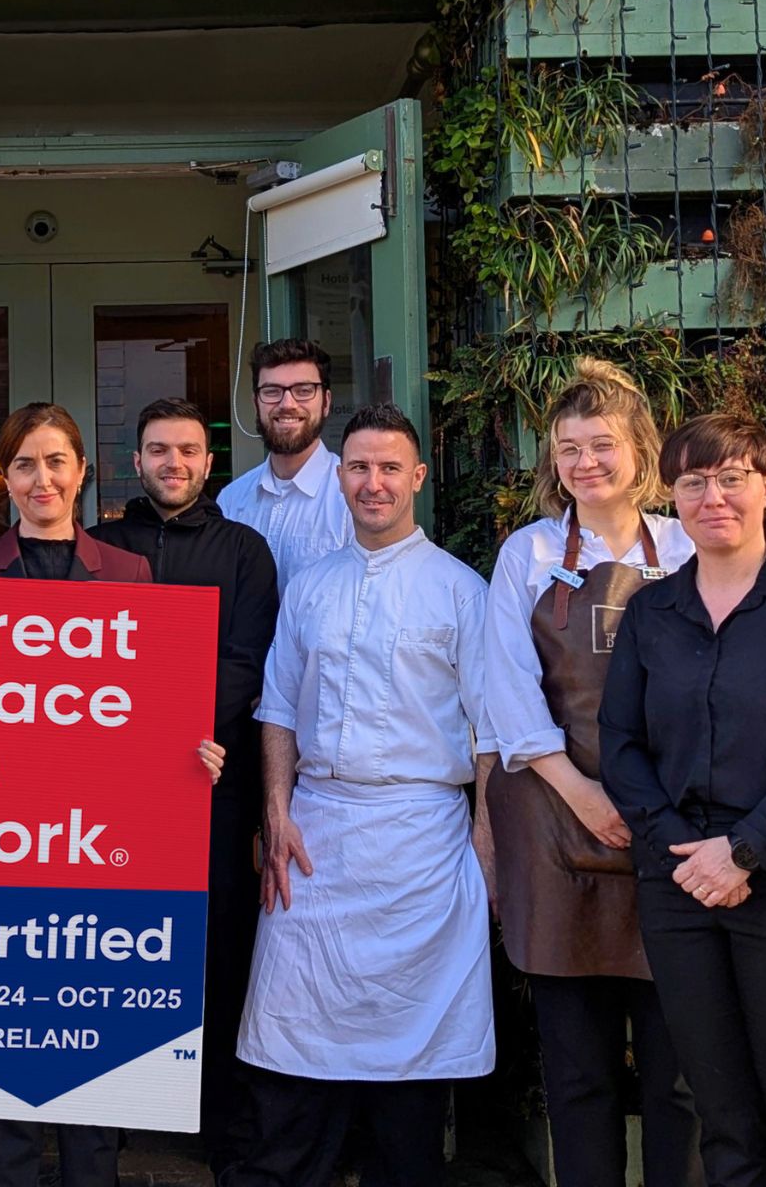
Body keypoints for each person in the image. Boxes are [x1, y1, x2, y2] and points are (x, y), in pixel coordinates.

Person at [0, 402, 222, 1187]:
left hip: (99, 847)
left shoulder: (130, 572)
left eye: (56, 462)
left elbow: (144, 703)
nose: (42, 479)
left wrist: (188, 754)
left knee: (95, 1048)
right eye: (25, 464)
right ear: (7, 476)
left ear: (81, 472)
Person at [598, 414, 766, 1187]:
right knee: (722, 1122)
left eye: (731, 478)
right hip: (680, 880)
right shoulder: (652, 612)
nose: (712, 496)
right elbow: (619, 741)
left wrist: (746, 850)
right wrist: (681, 849)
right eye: (693, 482)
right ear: (673, 496)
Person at [227, 403, 492, 1187]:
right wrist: (276, 814)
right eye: (358, 467)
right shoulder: (310, 586)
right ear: (339, 476)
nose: (372, 483)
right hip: (317, 833)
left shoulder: (459, 589)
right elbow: (276, 708)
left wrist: (485, 853)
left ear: (416, 478)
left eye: (388, 469)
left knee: (412, 1051)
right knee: (293, 1034)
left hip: (423, 839)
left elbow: (491, 737)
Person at [481, 360, 701, 1187]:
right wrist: (583, 794)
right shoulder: (527, 553)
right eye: (568, 448)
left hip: (675, 834)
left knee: (680, 1076)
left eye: (601, 445)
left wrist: (647, 808)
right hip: (553, 824)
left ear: (640, 451)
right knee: (578, 1075)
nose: (584, 463)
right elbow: (504, 688)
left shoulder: (685, 545)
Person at [89, 395, 279, 1173]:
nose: (174, 463)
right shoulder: (97, 547)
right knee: (116, 949)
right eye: (158, 449)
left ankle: (218, 1123)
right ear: (136, 461)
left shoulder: (245, 551)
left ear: (209, 462)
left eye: (189, 451)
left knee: (216, 950)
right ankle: (121, 1109)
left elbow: (247, 662)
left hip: (212, 786)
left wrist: (167, 736)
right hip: (105, 793)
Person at [216, 339, 352, 593]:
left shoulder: (350, 498)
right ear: (256, 402)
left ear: (326, 402)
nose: (287, 404)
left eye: (303, 390)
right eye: (271, 391)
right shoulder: (231, 502)